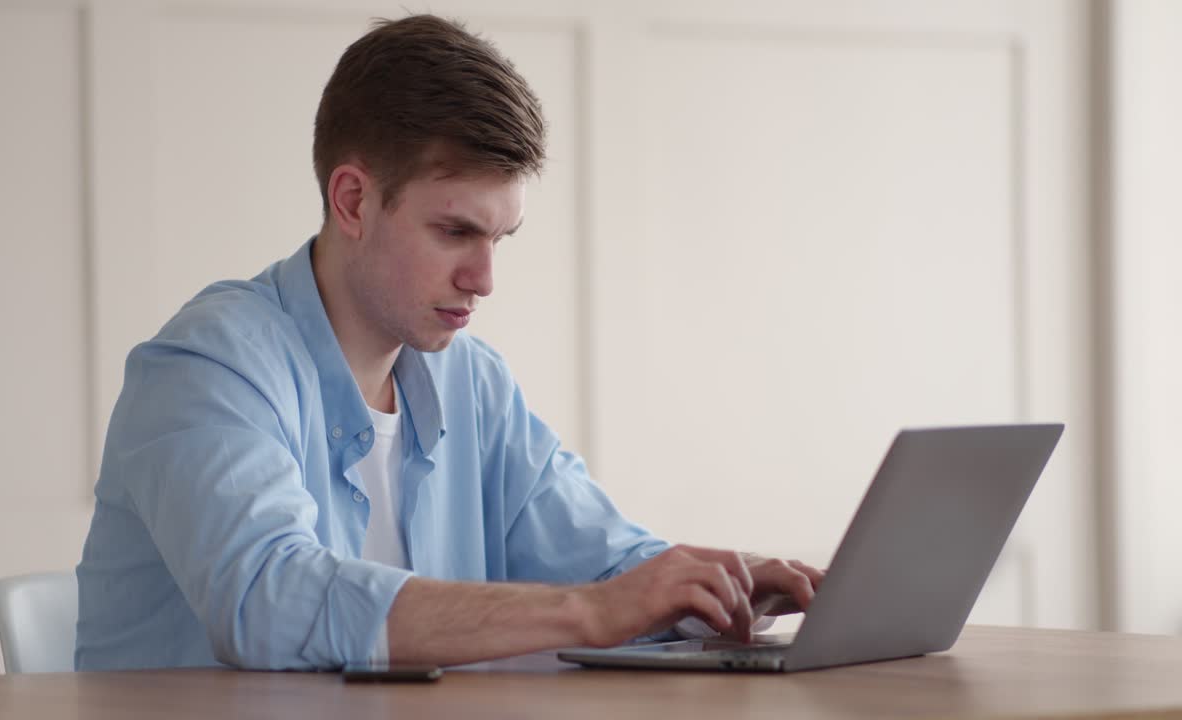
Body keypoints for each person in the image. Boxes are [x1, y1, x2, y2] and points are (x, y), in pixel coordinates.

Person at [75, 13, 823, 672]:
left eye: (501, 238)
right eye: (456, 231)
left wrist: (712, 588)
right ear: (353, 200)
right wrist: (589, 611)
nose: (485, 278)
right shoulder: (209, 364)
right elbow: (267, 600)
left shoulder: (473, 383)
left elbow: (607, 568)